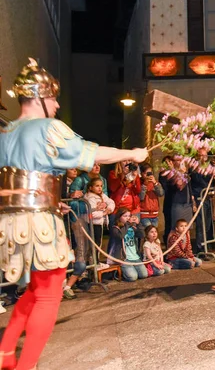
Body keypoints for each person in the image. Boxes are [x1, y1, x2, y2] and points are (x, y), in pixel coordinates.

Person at [0, 58, 147, 369]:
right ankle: (25, 366)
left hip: (13, 220)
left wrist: (56, 201)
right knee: (49, 295)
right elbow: (92, 154)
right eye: (52, 98)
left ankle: (6, 351)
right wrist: (133, 153)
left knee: (36, 288)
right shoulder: (49, 128)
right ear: (39, 97)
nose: (55, 106)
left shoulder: (7, 131)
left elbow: (23, 180)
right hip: (38, 222)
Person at [107, 207, 148, 282]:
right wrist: (128, 224)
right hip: (124, 259)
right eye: (125, 216)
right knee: (133, 277)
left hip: (135, 257)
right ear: (119, 217)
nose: (128, 218)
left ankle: (131, 269)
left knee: (144, 275)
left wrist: (138, 224)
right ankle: (122, 272)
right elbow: (121, 235)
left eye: (129, 216)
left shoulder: (131, 227)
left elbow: (142, 235)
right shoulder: (115, 228)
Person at [139, 163, 164, 229]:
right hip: (144, 214)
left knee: (154, 234)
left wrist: (155, 183)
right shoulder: (139, 183)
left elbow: (161, 193)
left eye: (149, 173)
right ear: (141, 173)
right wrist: (144, 185)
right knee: (148, 233)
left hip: (155, 214)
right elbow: (140, 197)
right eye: (145, 173)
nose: (148, 176)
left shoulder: (155, 183)